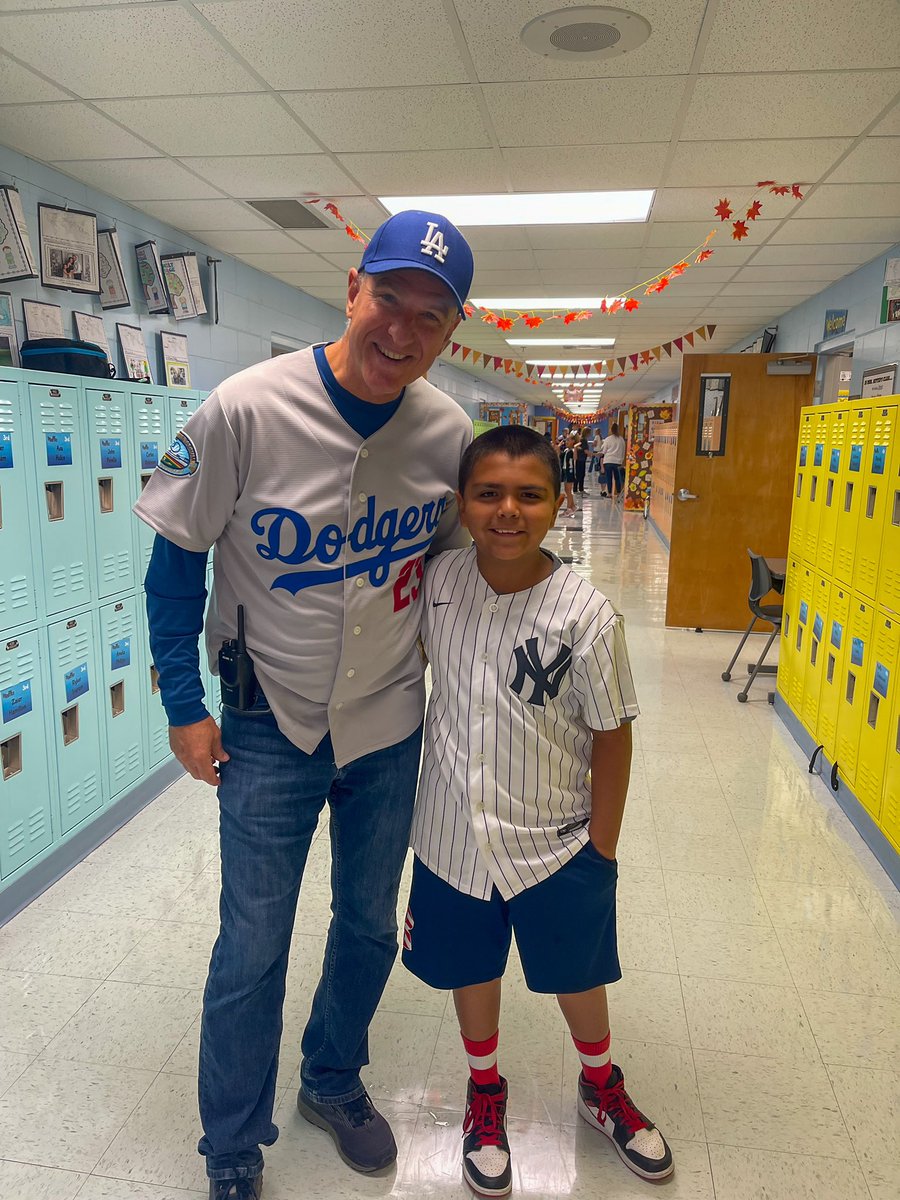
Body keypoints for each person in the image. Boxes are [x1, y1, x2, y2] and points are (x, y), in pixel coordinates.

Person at [134, 210, 475, 1200]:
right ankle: (232, 1144)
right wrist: (181, 703)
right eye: (392, 300)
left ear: (453, 331)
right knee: (252, 946)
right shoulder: (245, 410)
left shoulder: (445, 433)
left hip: (389, 722)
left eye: (434, 316)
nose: (404, 331)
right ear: (353, 289)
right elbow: (175, 566)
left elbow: (451, 587)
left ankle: (333, 1078)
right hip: (265, 721)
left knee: (369, 924)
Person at [402, 426, 673, 1196]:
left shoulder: (586, 616)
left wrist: (605, 850)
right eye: (488, 494)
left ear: (560, 503)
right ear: (463, 503)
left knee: (575, 973)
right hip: (452, 834)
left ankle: (600, 1085)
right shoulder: (440, 586)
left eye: (529, 495)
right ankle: (484, 1089)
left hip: (555, 840)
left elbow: (612, 735)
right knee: (469, 966)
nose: (507, 511)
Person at [601, 422, 627, 499]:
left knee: (608, 477)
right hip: (617, 462)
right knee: (617, 478)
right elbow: (623, 450)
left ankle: (609, 493)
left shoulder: (608, 439)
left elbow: (604, 450)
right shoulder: (621, 439)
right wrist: (621, 460)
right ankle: (618, 493)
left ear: (611, 430)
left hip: (608, 461)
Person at [559, 433, 578, 517]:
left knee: (568, 491)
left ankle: (569, 509)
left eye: (568, 440)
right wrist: (559, 446)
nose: (566, 441)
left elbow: (575, 458)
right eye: (566, 440)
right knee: (567, 490)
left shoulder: (572, 451)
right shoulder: (566, 450)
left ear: (573, 441)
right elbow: (560, 455)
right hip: (565, 470)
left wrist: (575, 448)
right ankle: (573, 506)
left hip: (570, 471)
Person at [574, 429, 588, 494]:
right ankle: (578, 489)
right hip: (581, 459)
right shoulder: (584, 440)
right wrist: (594, 454)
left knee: (579, 474)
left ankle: (578, 488)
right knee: (580, 474)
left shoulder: (581, 439)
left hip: (580, 459)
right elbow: (585, 451)